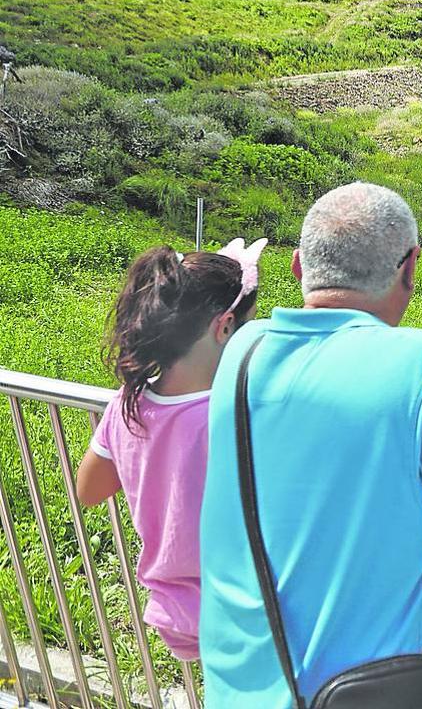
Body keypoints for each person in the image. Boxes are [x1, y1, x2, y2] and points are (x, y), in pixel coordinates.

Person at [199, 182, 422, 706]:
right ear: (411, 267)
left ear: (298, 268)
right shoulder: (419, 366)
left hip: (240, 687)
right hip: (360, 694)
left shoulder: (241, 354)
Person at [76, 238, 266, 660]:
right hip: (241, 612)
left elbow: (89, 490)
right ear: (225, 326)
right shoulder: (236, 413)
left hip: (172, 615)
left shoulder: (128, 405)